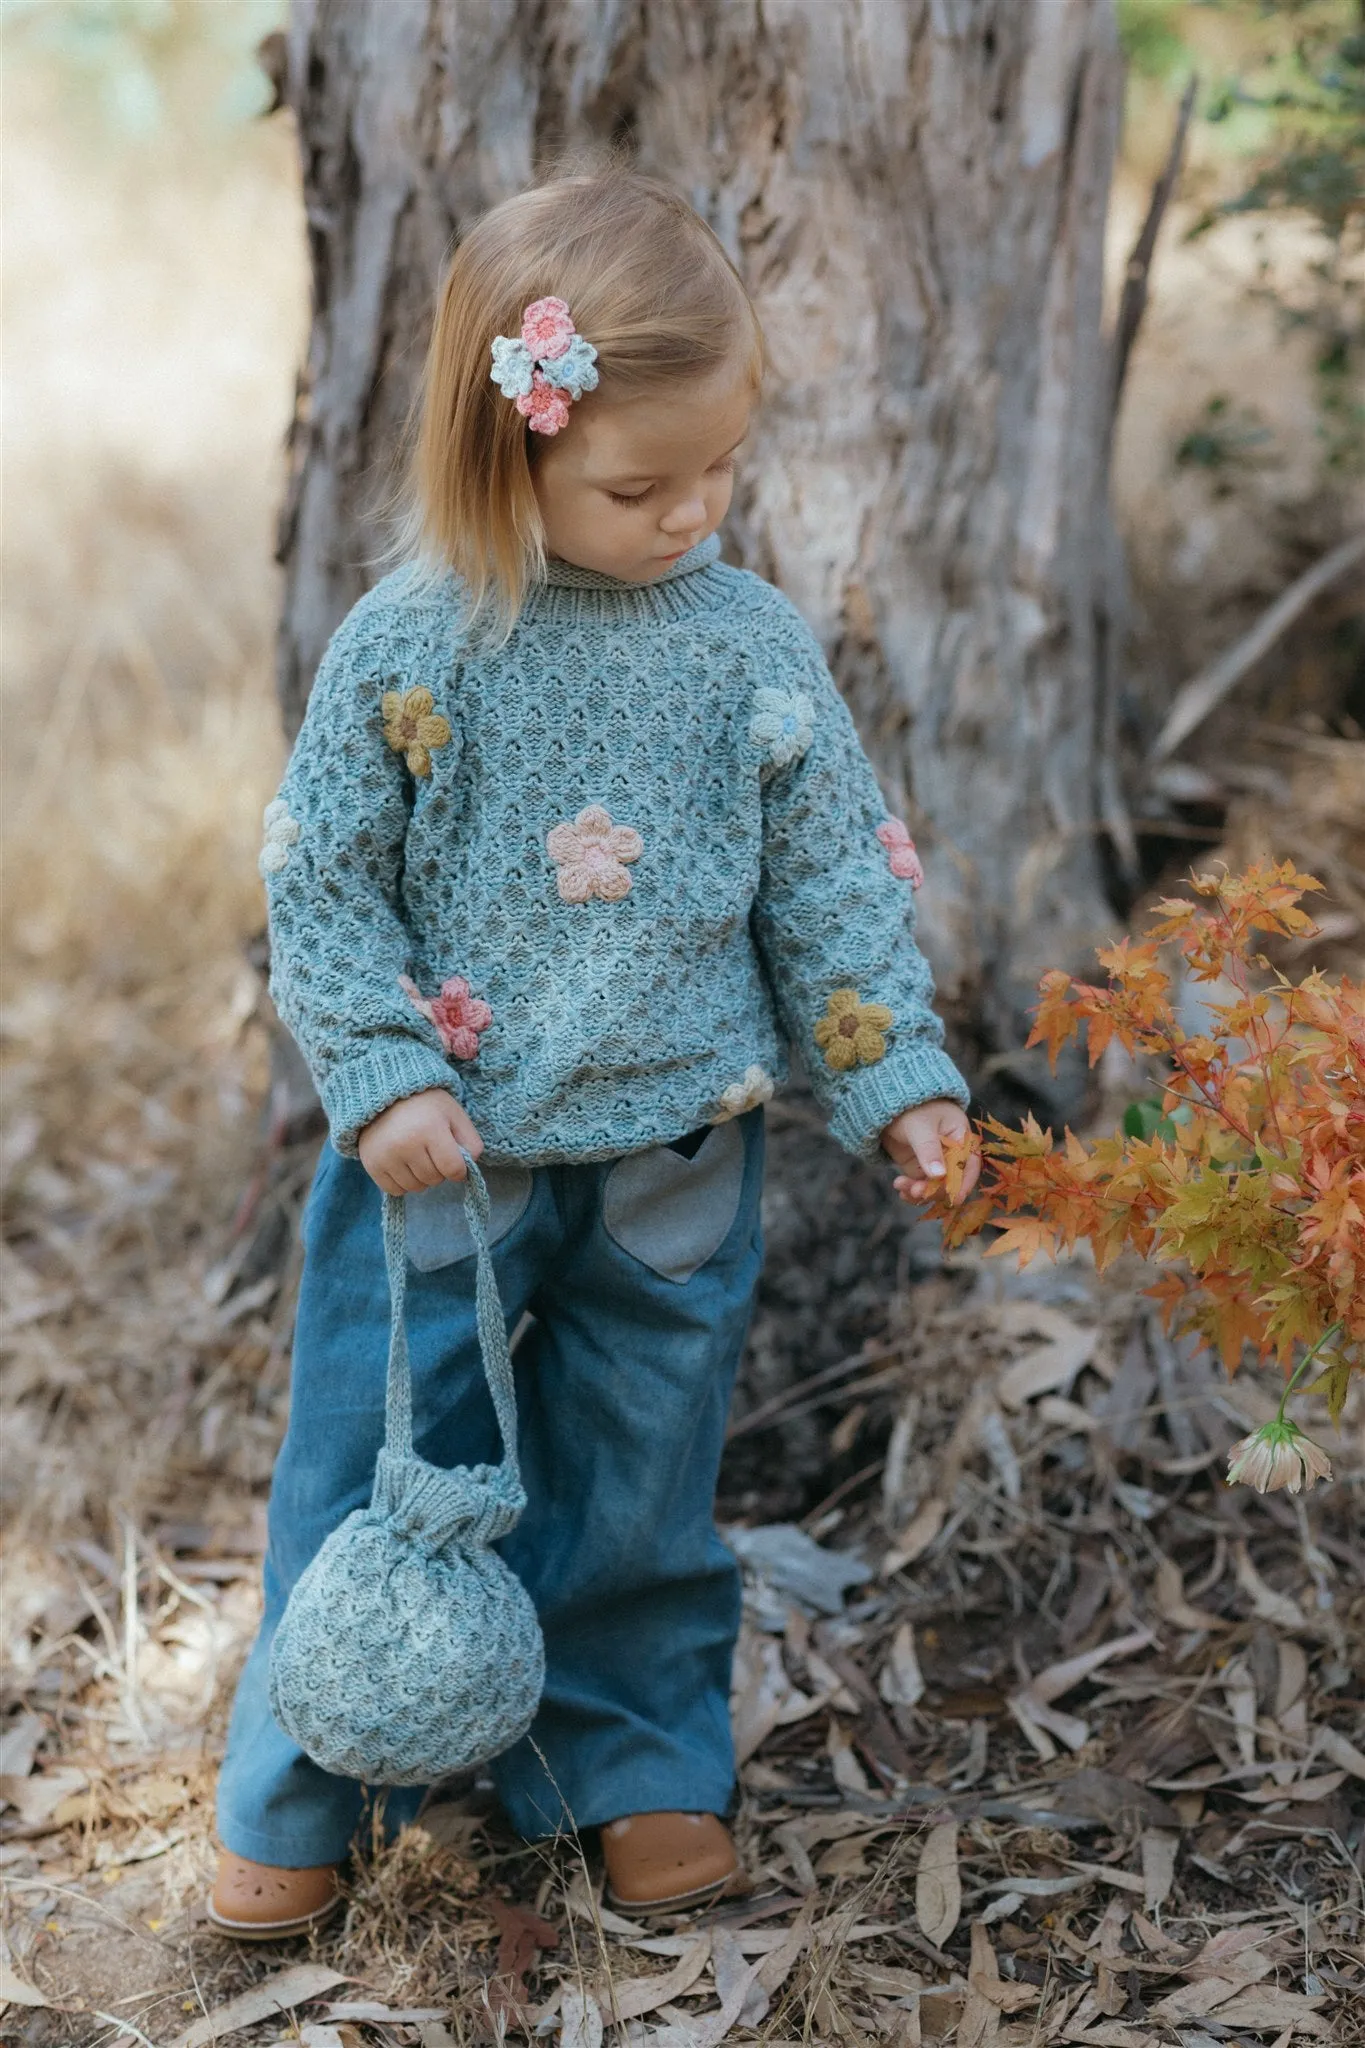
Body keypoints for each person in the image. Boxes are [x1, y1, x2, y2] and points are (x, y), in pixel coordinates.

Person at [211, 167, 978, 1940]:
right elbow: (321, 877)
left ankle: (624, 1769)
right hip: (439, 1165)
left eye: (722, 468)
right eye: (643, 484)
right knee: (377, 1475)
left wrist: (901, 1081)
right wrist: (384, 1066)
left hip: (674, 1168)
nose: (696, 511)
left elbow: (834, 896)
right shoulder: (414, 643)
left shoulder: (750, 647)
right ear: (512, 453)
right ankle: (305, 1785)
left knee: (642, 1485)